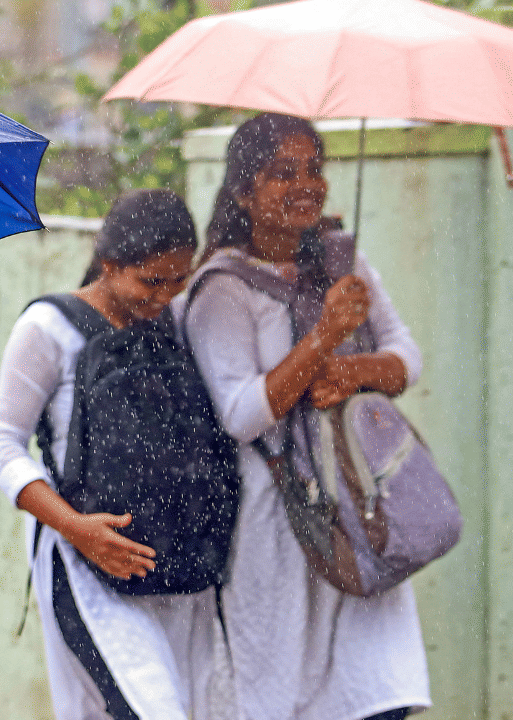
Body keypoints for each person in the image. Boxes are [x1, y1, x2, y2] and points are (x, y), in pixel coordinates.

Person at [180, 113, 430, 720]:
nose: (306, 184)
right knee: (283, 691)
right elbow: (241, 414)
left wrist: (355, 370)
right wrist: (325, 336)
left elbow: (407, 357)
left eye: (314, 168)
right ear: (243, 192)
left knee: (375, 690)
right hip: (279, 516)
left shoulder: (343, 261)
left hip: (356, 505)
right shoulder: (221, 290)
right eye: (281, 173)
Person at [0, 189, 223, 720]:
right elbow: (0, 448)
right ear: (111, 265)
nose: (163, 295)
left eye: (177, 279)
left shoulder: (174, 323)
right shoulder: (46, 328)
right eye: (150, 281)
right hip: (85, 560)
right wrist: (77, 528)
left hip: (175, 565)